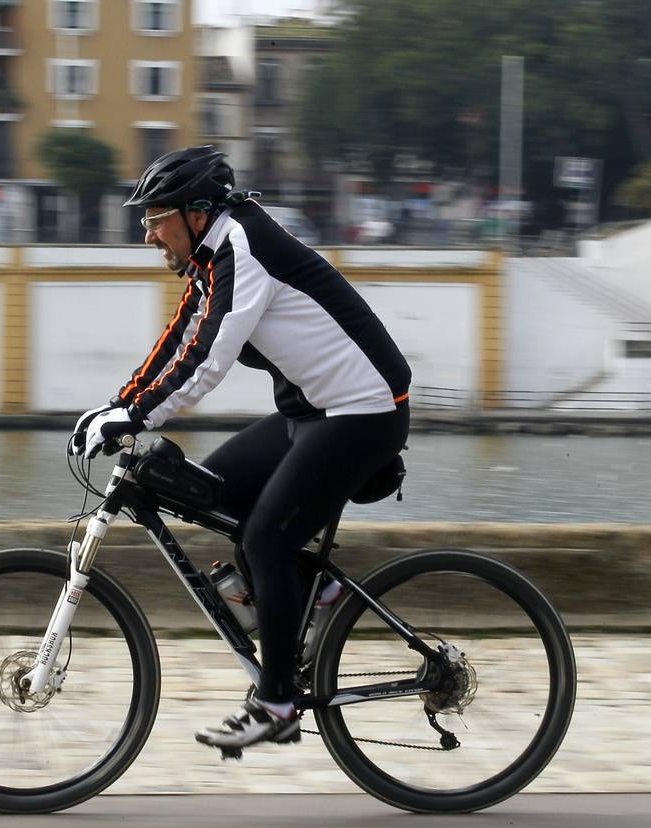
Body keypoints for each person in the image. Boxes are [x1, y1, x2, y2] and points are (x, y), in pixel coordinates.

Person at [72, 146, 411, 750]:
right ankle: (320, 595)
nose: (149, 235)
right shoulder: (213, 255)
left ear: (196, 213)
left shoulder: (244, 246)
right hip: (311, 411)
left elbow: (208, 360)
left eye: (155, 218)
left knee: (264, 538)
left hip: (363, 413)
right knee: (213, 493)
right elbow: (180, 336)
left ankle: (277, 704)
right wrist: (119, 405)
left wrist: (134, 417)